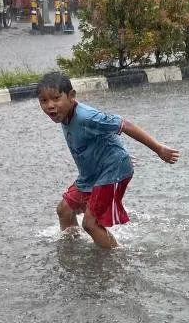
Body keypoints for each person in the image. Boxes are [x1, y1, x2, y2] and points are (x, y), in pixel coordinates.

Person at [37, 73, 180, 249]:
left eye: (56, 98)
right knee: (64, 210)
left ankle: (117, 256)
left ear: (72, 96)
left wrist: (158, 149)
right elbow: (102, 135)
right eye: (44, 101)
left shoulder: (87, 117)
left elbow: (124, 125)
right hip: (92, 173)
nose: (50, 105)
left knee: (90, 224)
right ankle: (72, 249)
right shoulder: (64, 113)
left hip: (112, 170)